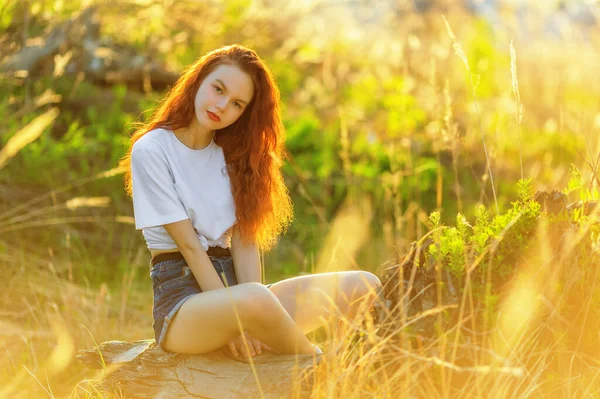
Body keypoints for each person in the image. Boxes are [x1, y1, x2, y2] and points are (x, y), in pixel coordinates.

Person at [119, 44, 382, 359]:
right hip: (183, 307)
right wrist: (240, 321)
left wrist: (248, 316)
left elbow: (244, 244)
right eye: (218, 89)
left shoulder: (235, 155)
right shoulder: (152, 149)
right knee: (254, 300)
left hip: (241, 297)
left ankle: (355, 360)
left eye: (236, 104)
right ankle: (323, 367)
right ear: (198, 81)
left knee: (362, 285)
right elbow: (189, 247)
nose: (221, 106)